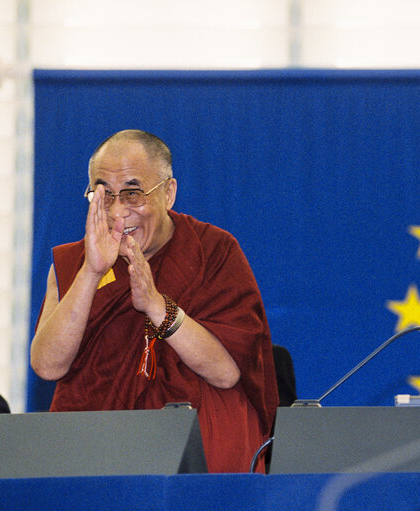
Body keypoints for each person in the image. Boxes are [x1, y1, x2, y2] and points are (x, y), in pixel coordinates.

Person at [30, 130, 278, 472]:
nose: (118, 213)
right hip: (96, 451)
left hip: (192, 454)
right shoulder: (75, 262)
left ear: (169, 193)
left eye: (132, 194)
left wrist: (156, 306)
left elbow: (226, 373)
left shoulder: (214, 251)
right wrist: (91, 271)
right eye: (104, 195)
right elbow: (47, 365)